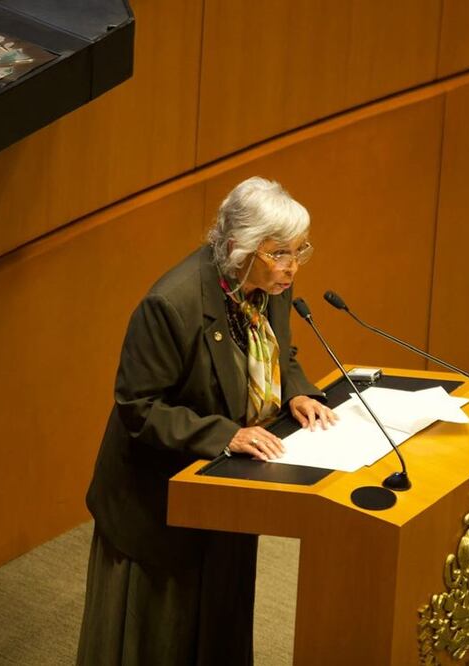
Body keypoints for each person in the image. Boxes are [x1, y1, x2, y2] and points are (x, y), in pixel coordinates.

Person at [77, 176, 337, 665]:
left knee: (220, 622)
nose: (293, 266)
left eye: (299, 251)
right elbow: (139, 407)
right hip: (158, 500)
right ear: (242, 249)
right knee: (162, 637)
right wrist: (228, 434)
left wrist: (297, 393)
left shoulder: (270, 285)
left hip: (226, 493)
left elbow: (282, 351)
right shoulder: (171, 305)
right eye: (281, 252)